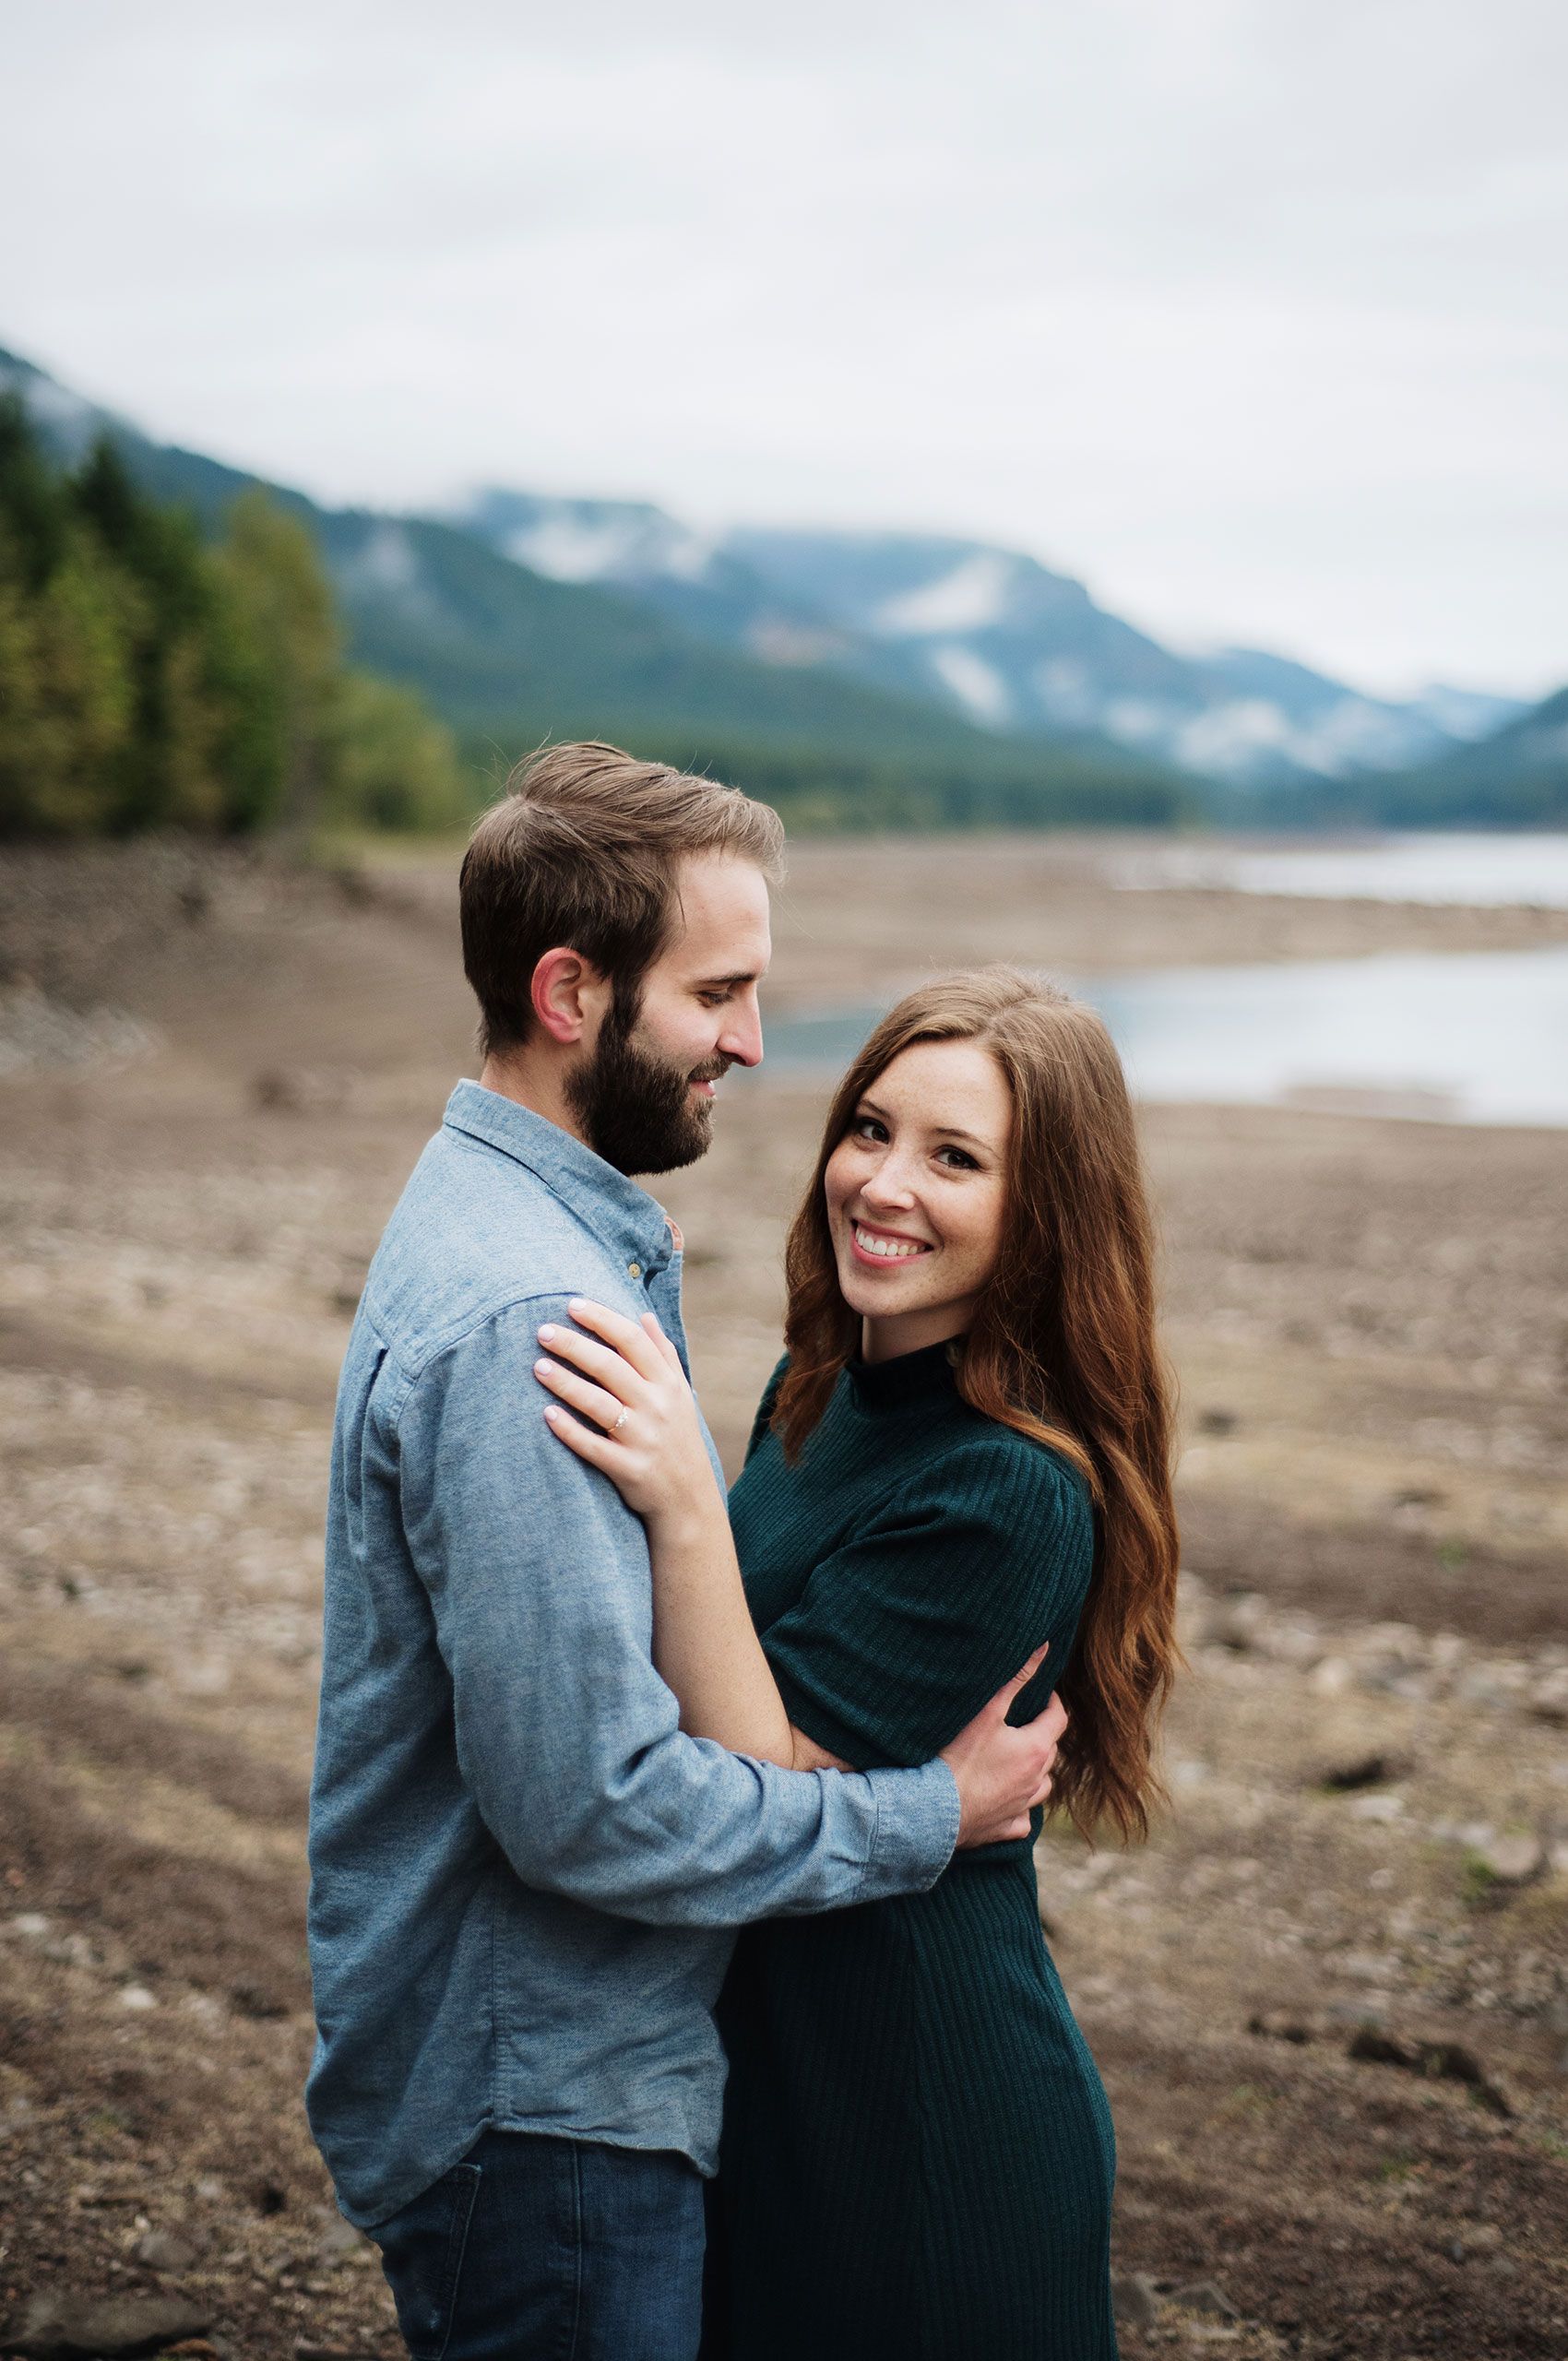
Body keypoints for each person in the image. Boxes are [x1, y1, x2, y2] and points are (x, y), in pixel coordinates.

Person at [304, 748, 1071, 2361]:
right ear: (571, 991)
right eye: (717, 990)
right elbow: (590, 1805)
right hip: (545, 2112)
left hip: (581, 2093)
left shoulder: (532, 1233)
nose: (749, 1040)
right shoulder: (533, 1309)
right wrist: (928, 1812)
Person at [536, 965, 1182, 2361]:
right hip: (773, 2080)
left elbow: (758, 1774)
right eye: (871, 1129)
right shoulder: (815, 1388)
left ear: (1043, 1217)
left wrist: (682, 1499)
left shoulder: (1010, 1490)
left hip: (923, 2116)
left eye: (957, 1159)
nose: (883, 1185)